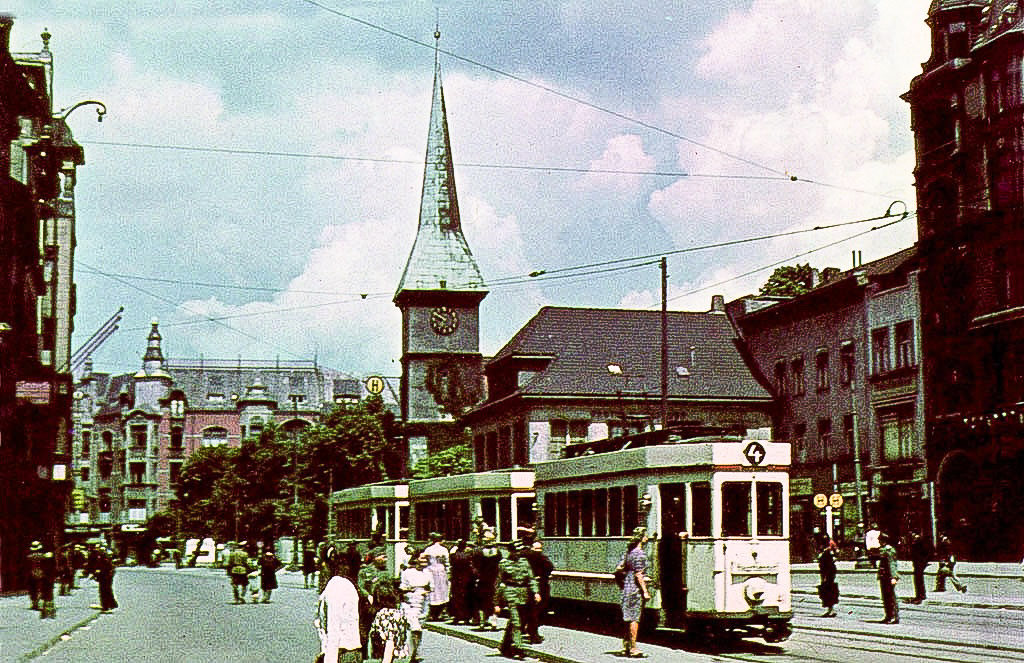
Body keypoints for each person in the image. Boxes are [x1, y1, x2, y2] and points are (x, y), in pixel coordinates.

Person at [316, 552, 363, 663]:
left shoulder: (335, 587)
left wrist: (330, 659)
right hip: (353, 650)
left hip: (340, 652)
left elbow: (334, 627)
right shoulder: (350, 586)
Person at [497, 540, 540, 660]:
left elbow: (531, 578)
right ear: (510, 551)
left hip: (524, 593)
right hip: (511, 592)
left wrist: (536, 592)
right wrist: (496, 603)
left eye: (519, 551)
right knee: (516, 621)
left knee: (517, 621)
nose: (518, 553)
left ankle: (505, 646)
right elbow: (498, 583)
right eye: (515, 551)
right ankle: (519, 648)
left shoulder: (524, 562)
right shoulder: (504, 563)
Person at [620, 527, 651, 658]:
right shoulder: (640, 554)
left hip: (626, 587)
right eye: (646, 535)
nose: (647, 538)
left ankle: (626, 646)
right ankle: (633, 648)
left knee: (628, 617)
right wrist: (645, 591)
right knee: (634, 619)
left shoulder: (629, 552)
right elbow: (639, 574)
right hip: (635, 589)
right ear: (641, 537)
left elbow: (619, 568)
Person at [399, 551, 433, 663]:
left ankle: (415, 651)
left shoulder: (428, 572)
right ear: (416, 559)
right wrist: (412, 591)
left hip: (423, 604)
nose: (424, 561)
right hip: (410, 604)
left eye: (426, 558)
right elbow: (402, 588)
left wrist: (426, 592)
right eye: (422, 558)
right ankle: (411, 654)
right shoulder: (407, 572)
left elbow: (430, 587)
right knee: (415, 628)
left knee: (419, 630)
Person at [370, 577, 410, 663]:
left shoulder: (384, 615)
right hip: (399, 655)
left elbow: (390, 641)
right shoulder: (398, 613)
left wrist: (386, 661)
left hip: (388, 656)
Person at [524, 539, 554, 643]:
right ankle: (533, 635)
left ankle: (528, 631)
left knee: (534, 611)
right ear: (532, 548)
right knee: (535, 612)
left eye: (539, 548)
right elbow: (550, 567)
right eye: (536, 548)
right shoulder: (542, 558)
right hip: (537, 586)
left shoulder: (527, 558)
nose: (538, 550)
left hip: (538, 586)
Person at [473, 530, 502, 631]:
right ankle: (494, 622)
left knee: (481, 602)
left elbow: (475, 567)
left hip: (482, 580)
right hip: (494, 580)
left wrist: (476, 577)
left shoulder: (478, 551)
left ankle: (482, 623)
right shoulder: (497, 552)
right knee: (495, 601)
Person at [423, 532, 451, 621]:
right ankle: (442, 612)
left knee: (433, 590)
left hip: (431, 570)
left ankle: (432, 613)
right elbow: (447, 562)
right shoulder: (444, 550)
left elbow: (425, 560)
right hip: (441, 571)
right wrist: (448, 571)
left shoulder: (428, 549)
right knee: (442, 590)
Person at [448, 539, 475, 625]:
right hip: (467, 579)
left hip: (456, 579)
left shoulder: (454, 556)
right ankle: (467, 617)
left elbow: (451, 564)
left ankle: (457, 616)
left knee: (456, 598)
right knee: (466, 598)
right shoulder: (468, 556)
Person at [877, 532, 900, 624]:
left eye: (880, 540)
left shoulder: (889, 550)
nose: (878, 541)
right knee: (885, 597)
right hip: (884, 576)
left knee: (891, 597)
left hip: (889, 577)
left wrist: (893, 577)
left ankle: (894, 616)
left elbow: (892, 564)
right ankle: (888, 615)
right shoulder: (883, 549)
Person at [89, 546, 118, 612]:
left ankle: (106, 606)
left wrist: (99, 572)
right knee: (107, 591)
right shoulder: (102, 558)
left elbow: (106, 569)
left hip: (106, 577)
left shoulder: (105, 559)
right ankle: (111, 604)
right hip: (105, 577)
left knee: (104, 592)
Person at [817, 537, 839, 617]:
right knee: (827, 591)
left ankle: (831, 610)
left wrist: (825, 576)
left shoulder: (827, 553)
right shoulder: (826, 552)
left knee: (828, 591)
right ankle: (830, 610)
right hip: (827, 574)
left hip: (828, 575)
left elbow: (828, 565)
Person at [909, 532, 932, 604]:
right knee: (918, 580)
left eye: (913, 535)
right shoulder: (916, 542)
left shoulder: (921, 542)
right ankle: (921, 595)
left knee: (918, 580)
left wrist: (924, 562)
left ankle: (919, 596)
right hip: (917, 563)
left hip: (920, 563)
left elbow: (927, 552)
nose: (913, 537)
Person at [27, 540, 46, 611]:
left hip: (31, 575)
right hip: (41, 574)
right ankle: (38, 603)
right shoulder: (43, 556)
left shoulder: (29, 557)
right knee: (40, 589)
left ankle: (34, 603)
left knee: (32, 589)